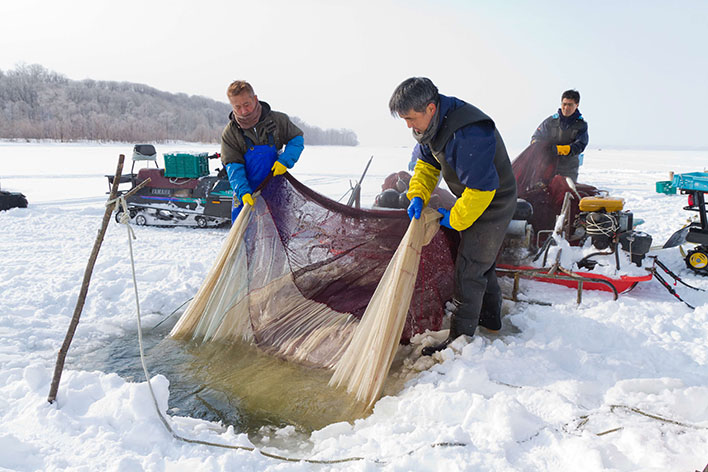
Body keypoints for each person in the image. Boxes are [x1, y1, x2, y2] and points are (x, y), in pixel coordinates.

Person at [389, 77, 517, 356]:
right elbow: (426, 164)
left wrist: (456, 218)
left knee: (470, 268)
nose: (409, 126)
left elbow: (483, 189)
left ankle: (459, 341)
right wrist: (418, 195)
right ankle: (491, 323)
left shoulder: (469, 132)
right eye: (405, 120)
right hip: (473, 196)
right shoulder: (431, 128)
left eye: (411, 119)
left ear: (431, 108)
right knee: (482, 261)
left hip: (493, 201)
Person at [220, 80, 304, 222]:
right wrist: (243, 192)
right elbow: (233, 165)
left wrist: (285, 160)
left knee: (278, 229)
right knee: (246, 235)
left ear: (255, 99)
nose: (243, 111)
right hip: (246, 192)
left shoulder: (278, 120)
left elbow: (296, 139)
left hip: (275, 188)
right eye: (237, 107)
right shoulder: (230, 132)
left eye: (247, 104)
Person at [531, 89, 588, 182]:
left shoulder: (581, 125)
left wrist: (559, 150)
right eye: (564, 104)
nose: (566, 108)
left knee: (566, 192)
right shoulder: (550, 121)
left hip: (569, 169)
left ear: (576, 105)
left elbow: (580, 145)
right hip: (548, 166)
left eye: (570, 105)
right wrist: (539, 145)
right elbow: (536, 137)